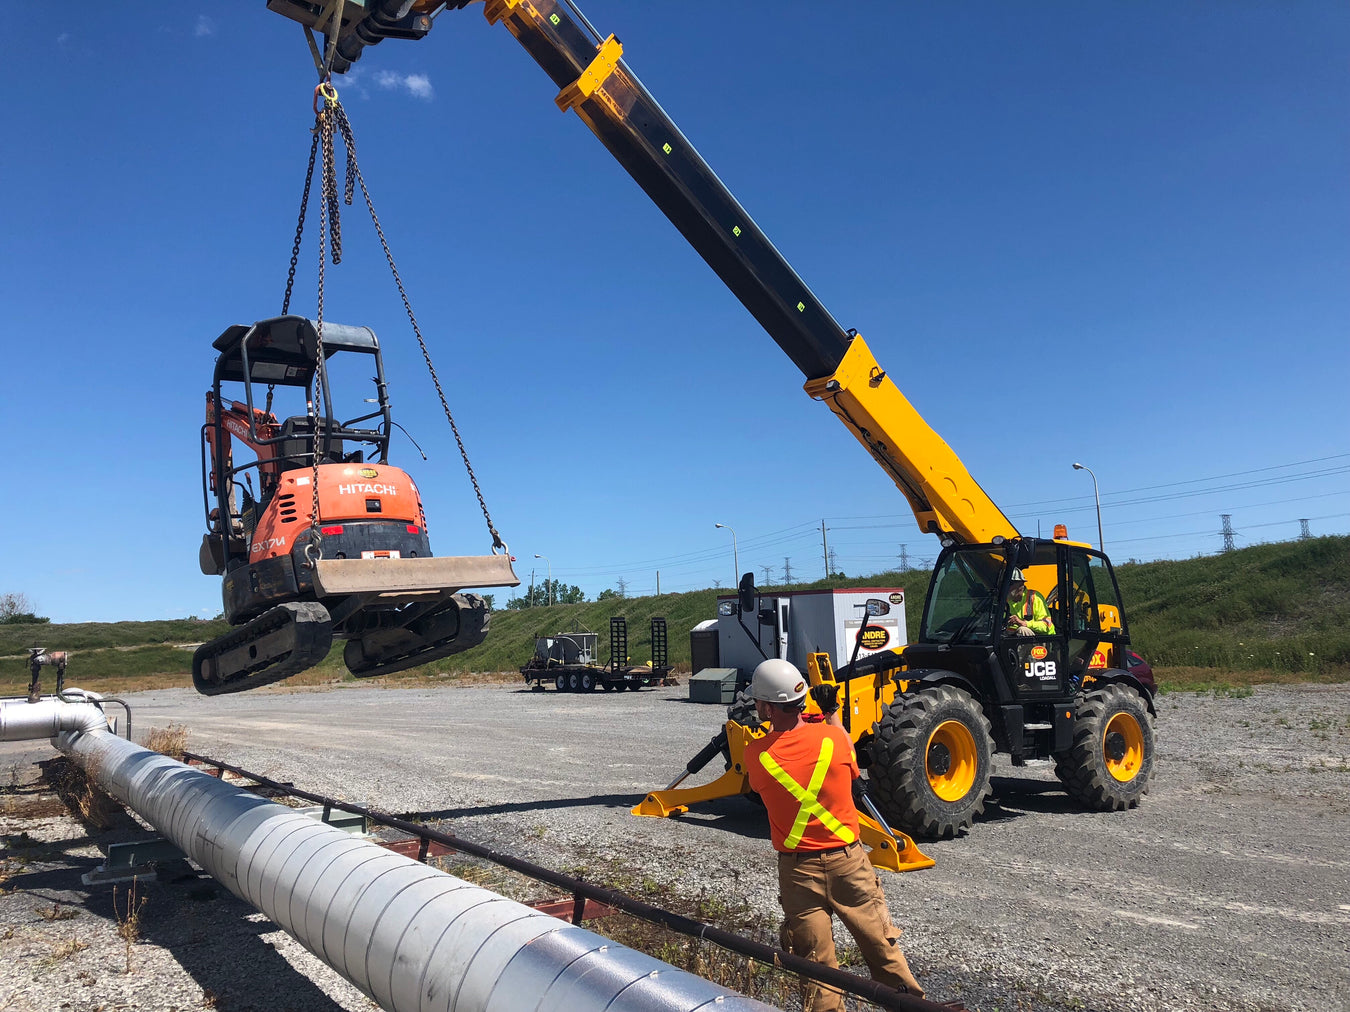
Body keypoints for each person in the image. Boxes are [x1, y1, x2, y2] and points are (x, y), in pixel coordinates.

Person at [742, 658, 924, 1010]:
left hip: (799, 872)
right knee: (882, 950)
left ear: (768, 707)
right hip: (850, 864)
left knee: (816, 967)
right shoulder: (834, 739)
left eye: (759, 702)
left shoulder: (757, 755)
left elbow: (764, 780)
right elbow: (848, 756)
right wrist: (830, 713)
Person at [1005, 568, 1054, 636]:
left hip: (1044, 638)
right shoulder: (1005, 600)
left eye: (1009, 585)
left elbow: (1046, 625)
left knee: (1022, 630)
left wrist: (1024, 623)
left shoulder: (1034, 597)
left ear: (1020, 586)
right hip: (1014, 637)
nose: (1006, 589)